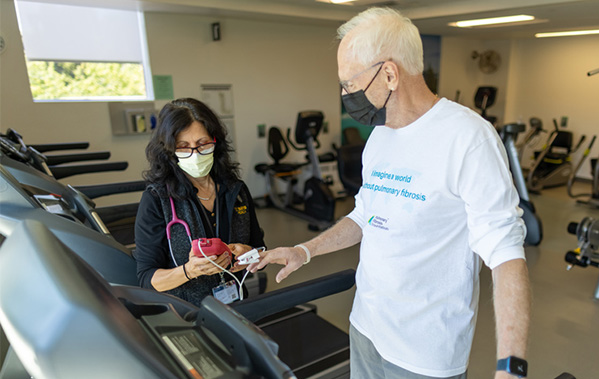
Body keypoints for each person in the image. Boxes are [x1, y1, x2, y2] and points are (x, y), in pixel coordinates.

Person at [249, 7, 530, 379]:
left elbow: (506, 254)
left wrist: (511, 368)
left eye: (349, 84)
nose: (346, 94)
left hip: (424, 353)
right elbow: (365, 216)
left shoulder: (468, 138)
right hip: (366, 328)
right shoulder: (379, 138)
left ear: (390, 74)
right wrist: (305, 251)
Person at [135, 98, 265, 307]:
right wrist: (189, 271)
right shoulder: (157, 199)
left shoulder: (236, 190)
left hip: (235, 304)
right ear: (169, 150)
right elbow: (147, 279)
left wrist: (249, 255)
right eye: (184, 147)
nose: (195, 154)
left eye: (203, 144)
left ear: (216, 142)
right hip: (185, 312)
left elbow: (259, 249)